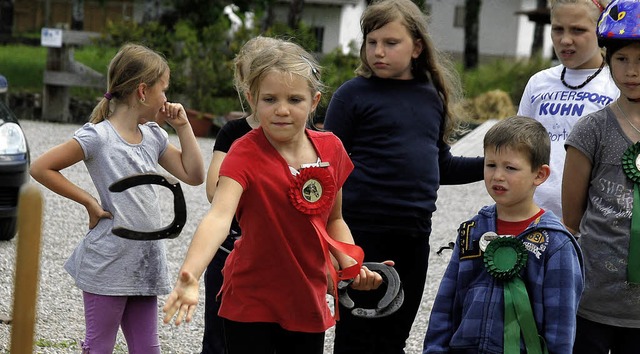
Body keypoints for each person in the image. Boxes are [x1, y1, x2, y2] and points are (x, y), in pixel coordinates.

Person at [162, 40, 388, 354]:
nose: (282, 109)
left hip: (307, 295)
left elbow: (334, 220)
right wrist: (192, 273)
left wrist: (351, 267)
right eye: (270, 99)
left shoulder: (332, 149)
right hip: (250, 297)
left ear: (314, 102)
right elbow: (219, 216)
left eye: (295, 99)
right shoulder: (243, 150)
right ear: (253, 99)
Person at [323, 0, 484, 352]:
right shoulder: (352, 95)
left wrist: (496, 167)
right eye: (372, 42)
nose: (379, 52)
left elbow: (441, 166)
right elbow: (325, 168)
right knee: (355, 333)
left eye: (390, 43)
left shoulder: (432, 96)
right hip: (360, 233)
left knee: (394, 336)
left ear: (417, 47)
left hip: (413, 236)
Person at [29, 43, 205, 353]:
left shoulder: (153, 135)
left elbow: (194, 175)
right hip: (108, 265)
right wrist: (88, 201)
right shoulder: (98, 137)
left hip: (145, 264)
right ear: (142, 91)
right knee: (100, 347)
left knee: (147, 349)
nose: (166, 99)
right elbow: (41, 167)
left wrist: (183, 126)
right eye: (163, 90)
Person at [424, 116, 584, 353]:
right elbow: (445, 304)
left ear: (539, 175)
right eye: (491, 165)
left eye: (510, 168)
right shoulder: (471, 231)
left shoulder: (557, 244)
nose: (497, 175)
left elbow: (561, 326)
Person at [562, 0, 640, 352]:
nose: (631, 71)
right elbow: (572, 216)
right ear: (608, 60)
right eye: (621, 59)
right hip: (592, 301)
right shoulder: (591, 130)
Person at [201, 35, 280, 354]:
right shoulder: (233, 132)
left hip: (279, 258)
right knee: (220, 341)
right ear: (242, 80)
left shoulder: (301, 134)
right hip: (228, 252)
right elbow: (212, 189)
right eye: (254, 78)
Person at [518, 0, 619, 219]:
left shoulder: (618, 85)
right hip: (534, 217)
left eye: (578, 30)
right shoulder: (538, 82)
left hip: (594, 222)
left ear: (600, 29)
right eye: (557, 29)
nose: (565, 40)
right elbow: (518, 150)